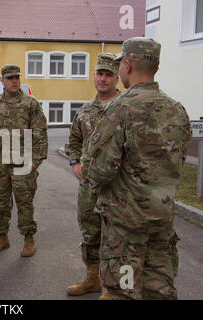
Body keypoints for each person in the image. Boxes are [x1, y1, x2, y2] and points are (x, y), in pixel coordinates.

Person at [87, 37, 192, 300]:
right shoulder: (177, 110)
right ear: (155, 68)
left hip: (126, 226)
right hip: (162, 220)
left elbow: (101, 170)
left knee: (123, 290)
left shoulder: (119, 110)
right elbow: (178, 162)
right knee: (160, 289)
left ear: (128, 65)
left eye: (121, 63)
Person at [65, 53, 121, 296]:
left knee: (116, 236)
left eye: (108, 74)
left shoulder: (125, 108)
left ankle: (113, 286)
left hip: (118, 186)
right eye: (100, 73)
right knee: (90, 232)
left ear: (117, 78)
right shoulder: (85, 110)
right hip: (89, 185)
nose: (103, 78)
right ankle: (92, 278)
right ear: (94, 76)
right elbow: (74, 139)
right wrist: (75, 161)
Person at [0, 64, 48, 257]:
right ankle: (2, 237)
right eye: (9, 78)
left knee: (24, 202)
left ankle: (29, 239)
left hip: (23, 162)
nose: (14, 81)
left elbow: (40, 133)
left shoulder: (30, 103)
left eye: (16, 77)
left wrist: (35, 160)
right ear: (2, 81)